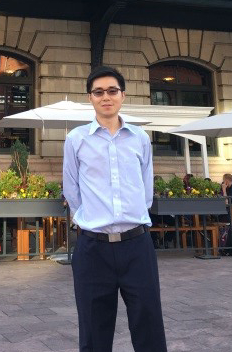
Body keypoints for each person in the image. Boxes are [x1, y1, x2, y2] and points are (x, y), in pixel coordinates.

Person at [63, 66, 167, 352]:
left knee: (149, 326)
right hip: (93, 248)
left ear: (123, 95)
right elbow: (72, 189)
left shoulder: (140, 138)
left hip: (137, 245)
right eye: (98, 92)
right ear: (90, 98)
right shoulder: (76, 139)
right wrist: (90, 218)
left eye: (112, 90)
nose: (105, 97)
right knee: (94, 331)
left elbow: (146, 187)